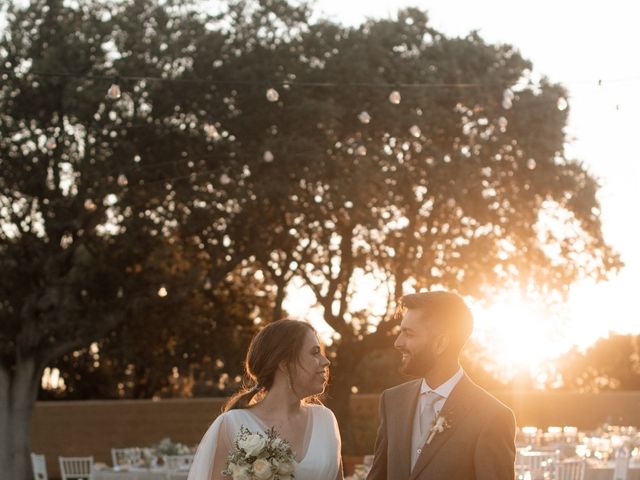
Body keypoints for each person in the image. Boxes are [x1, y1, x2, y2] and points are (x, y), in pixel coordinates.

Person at [366, 291, 516, 480]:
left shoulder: (492, 417)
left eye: (408, 334)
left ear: (440, 343)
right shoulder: (392, 401)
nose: (398, 343)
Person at [188, 319, 344, 480]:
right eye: (315, 352)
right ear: (284, 363)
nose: (326, 361)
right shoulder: (232, 425)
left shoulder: (325, 420)